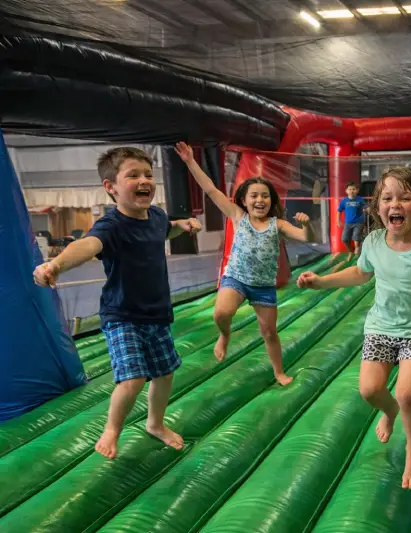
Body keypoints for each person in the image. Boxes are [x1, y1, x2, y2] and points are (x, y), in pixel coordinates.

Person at [297, 166, 411, 490]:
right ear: (377, 207)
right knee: (370, 390)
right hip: (381, 327)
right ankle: (391, 410)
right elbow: (360, 273)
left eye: (405, 198)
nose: (395, 204)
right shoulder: (373, 242)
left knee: (408, 393)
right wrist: (321, 281)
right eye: (387, 198)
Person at [33, 146, 202, 459]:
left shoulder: (157, 215)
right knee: (133, 378)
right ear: (110, 187)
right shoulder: (111, 226)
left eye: (148, 174)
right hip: (122, 315)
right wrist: (55, 265)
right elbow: (87, 245)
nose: (144, 180)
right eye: (133, 175)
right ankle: (112, 430)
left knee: (165, 374)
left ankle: (155, 423)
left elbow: (165, 231)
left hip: (157, 313)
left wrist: (184, 226)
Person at [174, 142, 316, 386]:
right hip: (236, 278)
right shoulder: (238, 216)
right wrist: (190, 161)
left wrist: (307, 225)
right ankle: (225, 335)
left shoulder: (278, 225)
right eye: (254, 195)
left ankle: (279, 372)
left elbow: (306, 237)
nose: (260, 200)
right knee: (221, 313)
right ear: (244, 199)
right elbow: (210, 189)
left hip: (263, 285)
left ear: (271, 200)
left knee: (269, 332)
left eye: (265, 196)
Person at [337, 181, 368, 260]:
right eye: (350, 189)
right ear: (346, 191)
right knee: (344, 239)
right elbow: (339, 211)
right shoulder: (344, 201)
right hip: (348, 223)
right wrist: (338, 221)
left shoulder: (360, 199)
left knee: (356, 237)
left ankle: (357, 249)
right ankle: (351, 251)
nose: (352, 191)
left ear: (357, 190)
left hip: (359, 222)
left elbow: (365, 207)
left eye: (353, 189)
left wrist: (367, 209)